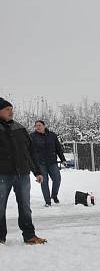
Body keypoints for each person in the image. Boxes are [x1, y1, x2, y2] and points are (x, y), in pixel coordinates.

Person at [0, 98, 46, 245]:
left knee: (25, 206)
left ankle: (29, 235)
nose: (11, 111)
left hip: (23, 174)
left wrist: (37, 171)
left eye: (11, 109)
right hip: (2, 174)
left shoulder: (19, 128)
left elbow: (30, 152)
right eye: (7, 109)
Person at [30, 120, 67, 207]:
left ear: (44, 126)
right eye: (36, 126)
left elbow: (58, 148)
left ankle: (54, 195)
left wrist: (63, 159)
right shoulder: (32, 136)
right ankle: (47, 201)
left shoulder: (52, 135)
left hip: (52, 162)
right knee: (44, 182)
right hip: (40, 163)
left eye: (39, 125)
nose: (38, 127)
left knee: (57, 179)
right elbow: (30, 150)